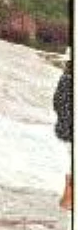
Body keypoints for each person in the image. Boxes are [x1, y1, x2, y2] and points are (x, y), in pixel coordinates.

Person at [54, 59, 72, 209]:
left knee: (69, 161)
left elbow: (57, 102)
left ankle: (67, 199)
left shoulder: (65, 78)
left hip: (66, 128)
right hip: (69, 128)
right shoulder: (68, 80)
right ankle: (68, 199)